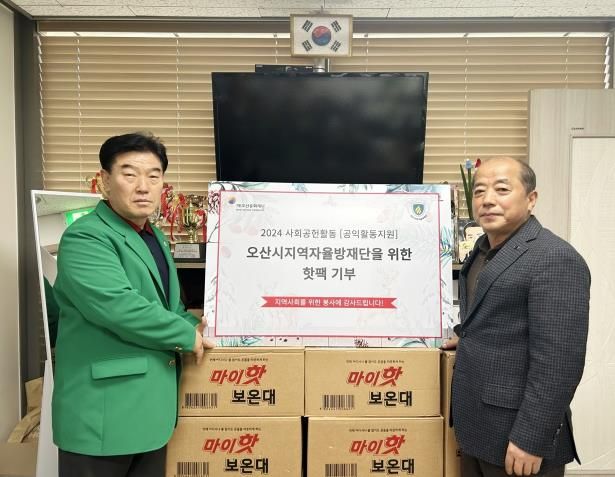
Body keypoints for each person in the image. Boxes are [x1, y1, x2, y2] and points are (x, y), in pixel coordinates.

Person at [52, 132, 214, 477]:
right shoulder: (86, 236)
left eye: (154, 176)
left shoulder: (152, 235)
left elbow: (168, 307)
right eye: (129, 174)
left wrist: (202, 325)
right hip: (103, 412)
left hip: (150, 412)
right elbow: (118, 306)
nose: (143, 187)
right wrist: (187, 335)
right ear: (105, 181)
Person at [444, 156, 590, 477]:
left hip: (518, 437)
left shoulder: (554, 258)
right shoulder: (482, 248)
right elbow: (493, 313)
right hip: (477, 427)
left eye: (502, 189)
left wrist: (531, 439)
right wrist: (465, 334)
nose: (487, 200)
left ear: (531, 199)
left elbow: (559, 364)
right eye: (479, 191)